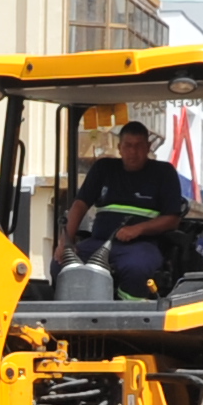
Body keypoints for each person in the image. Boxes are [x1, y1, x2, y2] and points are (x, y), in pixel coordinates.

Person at [59, 121, 190, 297]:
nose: (133, 152)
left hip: (141, 245)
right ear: (119, 148)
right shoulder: (103, 168)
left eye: (139, 146)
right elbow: (80, 204)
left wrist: (138, 229)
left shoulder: (163, 173)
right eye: (128, 146)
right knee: (61, 263)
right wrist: (65, 243)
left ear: (148, 147)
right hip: (99, 242)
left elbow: (172, 219)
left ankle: (128, 313)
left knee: (136, 268)